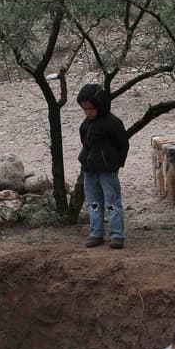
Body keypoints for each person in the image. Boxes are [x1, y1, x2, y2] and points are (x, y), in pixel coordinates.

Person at [77, 84, 130, 249]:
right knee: (94, 203)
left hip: (108, 172)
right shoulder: (86, 124)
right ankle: (96, 234)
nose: (88, 113)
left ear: (100, 105)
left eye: (91, 109)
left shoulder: (113, 123)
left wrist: (116, 164)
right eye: (85, 110)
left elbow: (123, 144)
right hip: (89, 171)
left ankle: (117, 235)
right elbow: (85, 144)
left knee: (112, 203)